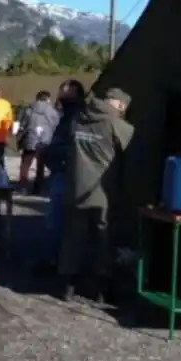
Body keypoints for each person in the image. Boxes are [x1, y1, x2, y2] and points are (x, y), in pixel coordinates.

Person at [58, 87, 134, 303]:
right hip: (102, 191)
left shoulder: (78, 118)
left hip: (75, 188)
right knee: (103, 239)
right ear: (119, 104)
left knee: (73, 237)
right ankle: (101, 291)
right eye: (123, 108)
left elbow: (64, 145)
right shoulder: (115, 124)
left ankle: (67, 287)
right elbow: (133, 149)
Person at [41, 80, 86, 268]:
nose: (62, 96)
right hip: (62, 170)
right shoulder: (67, 115)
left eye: (66, 93)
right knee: (57, 219)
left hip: (67, 172)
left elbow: (70, 147)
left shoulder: (76, 117)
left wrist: (50, 153)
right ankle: (58, 259)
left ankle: (58, 261)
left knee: (58, 219)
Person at [16, 90, 59, 193]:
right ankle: (38, 188)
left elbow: (21, 124)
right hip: (45, 141)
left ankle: (23, 186)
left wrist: (19, 138)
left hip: (29, 139)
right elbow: (56, 125)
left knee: (25, 164)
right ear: (47, 98)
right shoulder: (52, 111)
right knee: (40, 166)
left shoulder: (28, 109)